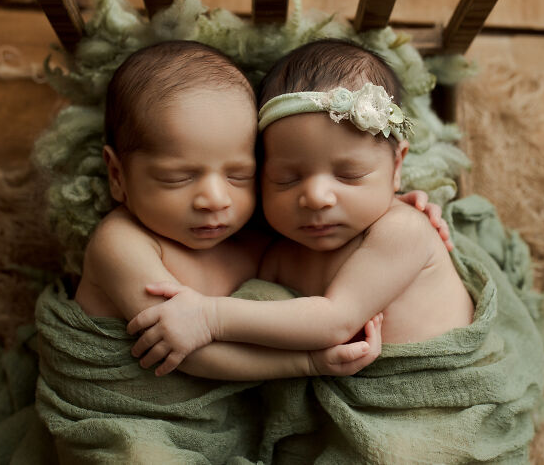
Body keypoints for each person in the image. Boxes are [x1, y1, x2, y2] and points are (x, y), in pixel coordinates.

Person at [129, 39, 474, 375]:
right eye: (286, 179)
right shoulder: (279, 254)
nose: (317, 198)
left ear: (397, 168)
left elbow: (335, 320)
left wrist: (209, 317)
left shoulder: (403, 229)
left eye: (349, 175)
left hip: (431, 387)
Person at [73, 39, 386, 380]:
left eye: (239, 175)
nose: (215, 199)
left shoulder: (253, 239)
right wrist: (306, 364)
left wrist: (392, 205)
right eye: (177, 178)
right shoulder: (121, 243)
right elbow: (183, 347)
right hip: (127, 412)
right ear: (117, 176)